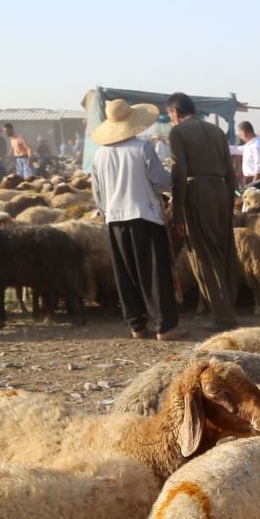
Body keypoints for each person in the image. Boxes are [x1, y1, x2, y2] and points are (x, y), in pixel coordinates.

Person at [89, 98, 183, 340]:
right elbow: (161, 182)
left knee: (125, 272)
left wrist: (108, 211)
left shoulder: (98, 157)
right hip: (145, 217)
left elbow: (97, 195)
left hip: (115, 220)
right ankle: (165, 326)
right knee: (154, 272)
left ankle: (136, 325)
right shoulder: (142, 148)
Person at [167, 91, 239, 330]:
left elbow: (179, 171)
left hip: (196, 190)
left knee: (204, 254)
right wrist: (229, 201)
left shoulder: (178, 132)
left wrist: (177, 213)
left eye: (170, 115)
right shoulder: (216, 131)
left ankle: (223, 316)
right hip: (220, 190)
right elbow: (230, 170)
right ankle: (229, 306)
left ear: (175, 112)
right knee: (224, 249)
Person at [237, 121, 260, 185]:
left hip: (257, 181)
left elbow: (259, 169)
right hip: (251, 180)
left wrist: (253, 186)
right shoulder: (249, 145)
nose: (240, 136)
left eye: (240, 134)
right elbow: (236, 149)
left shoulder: (257, 145)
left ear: (244, 132)